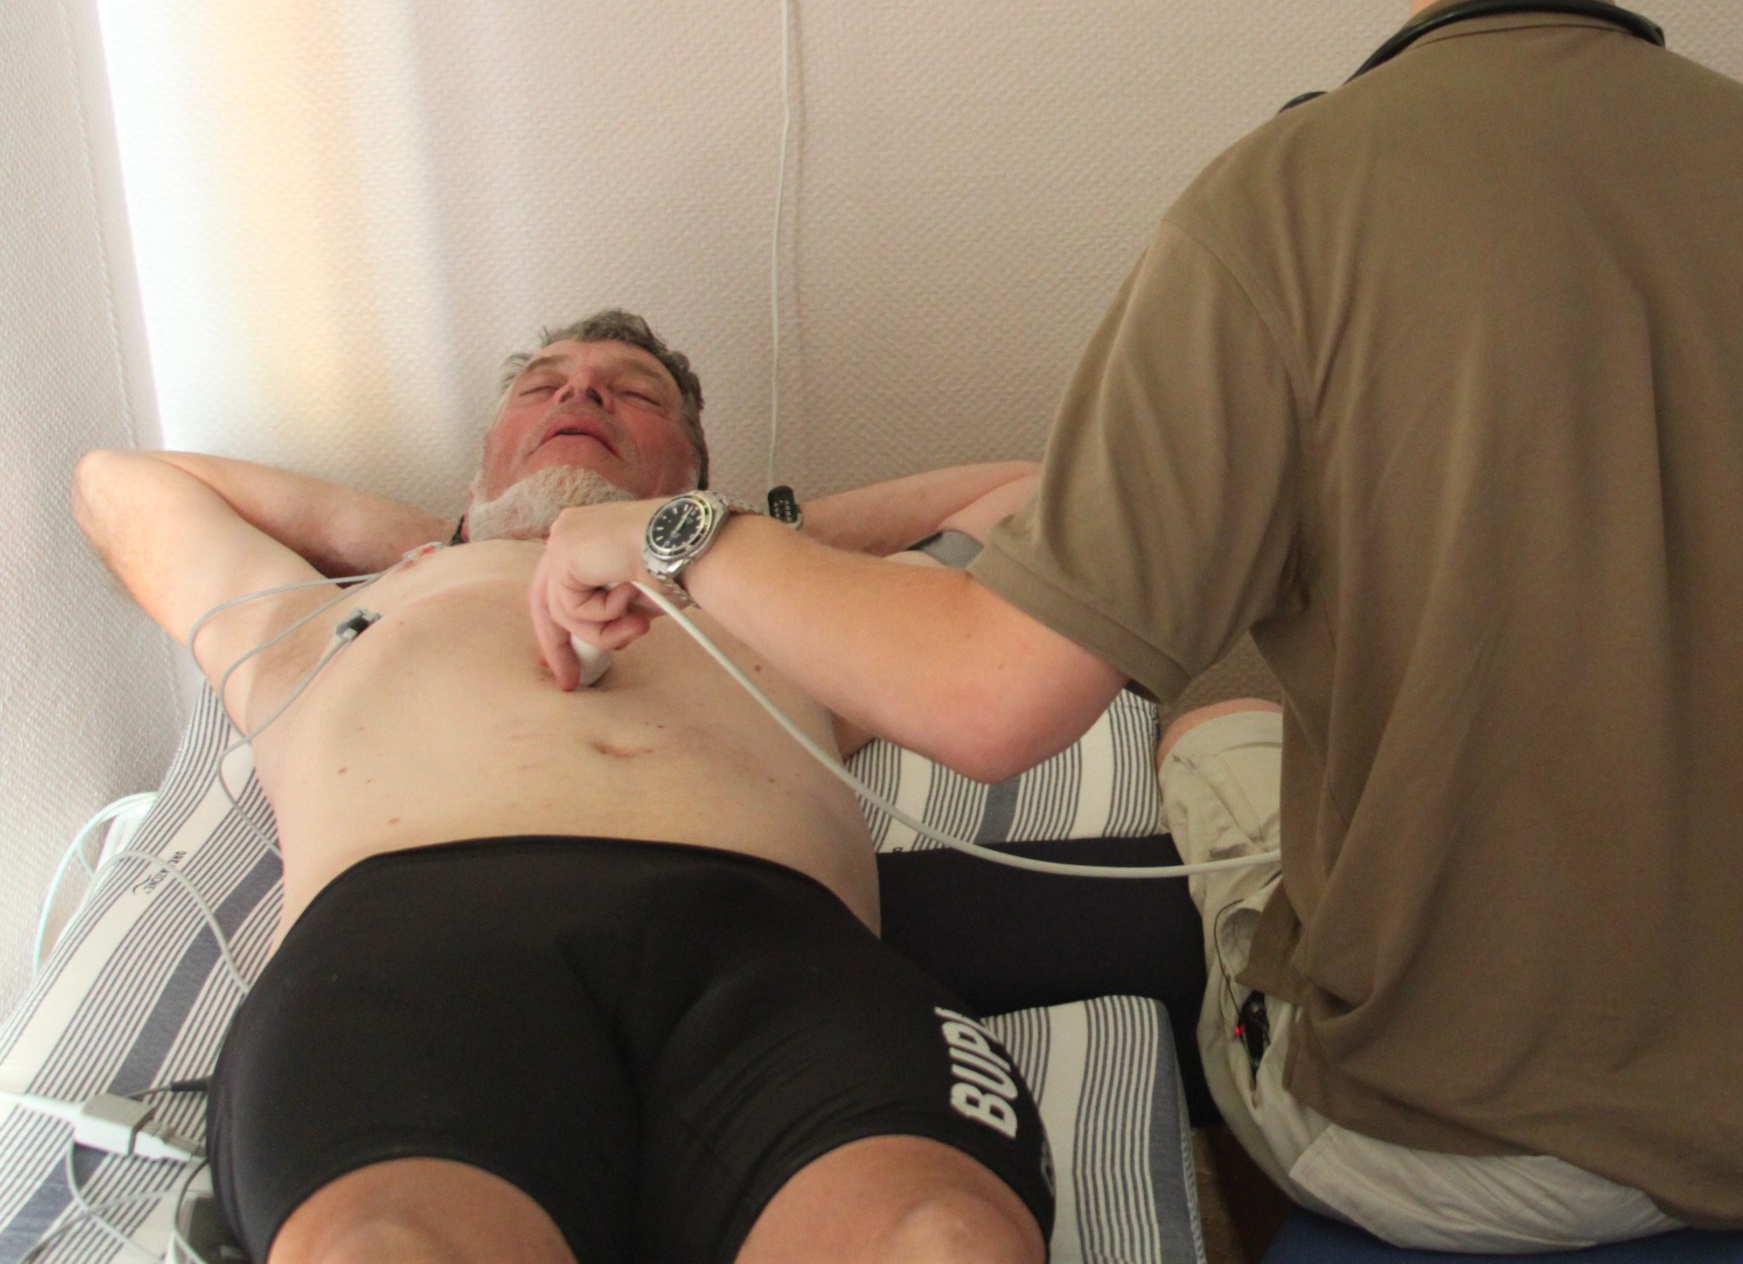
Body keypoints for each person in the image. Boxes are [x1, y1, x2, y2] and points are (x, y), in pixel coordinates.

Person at [534, 0, 1743, 1251]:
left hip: (1467, 1146)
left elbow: (988, 701)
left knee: (1212, 712)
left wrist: (676, 531)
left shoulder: (1276, 210)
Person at [75, 310, 1052, 1264]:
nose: (581, 392)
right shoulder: (337, 616)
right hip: (415, 950)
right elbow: (117, 485)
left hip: (776, 956)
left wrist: (706, 535)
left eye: (635, 395)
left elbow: (1030, 498)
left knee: (947, 1240)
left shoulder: (790, 611)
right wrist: (456, 535)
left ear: (697, 472)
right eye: (543, 387)